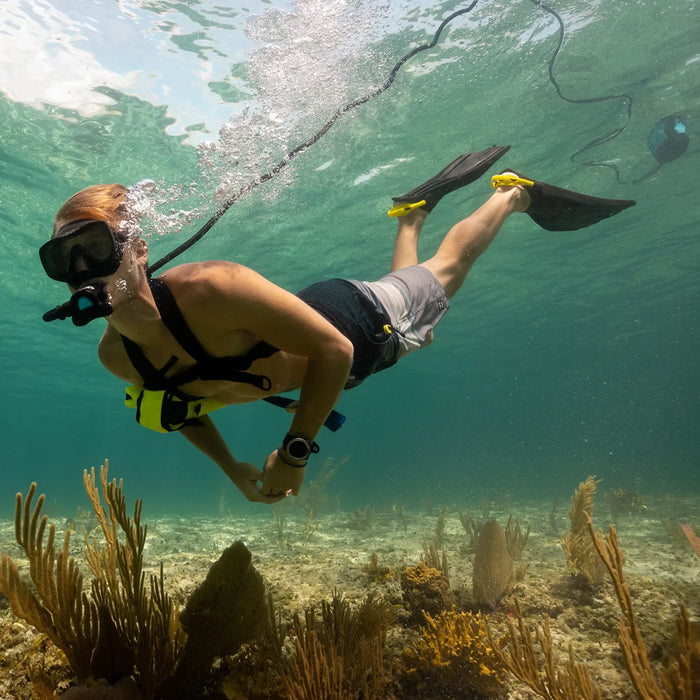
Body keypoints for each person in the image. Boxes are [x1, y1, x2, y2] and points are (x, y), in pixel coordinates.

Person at [40, 145, 635, 503]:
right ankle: (412, 213)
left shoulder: (211, 286)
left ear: (137, 247)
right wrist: (235, 471)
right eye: (62, 261)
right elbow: (178, 407)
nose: (82, 272)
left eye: (94, 247)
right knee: (415, 298)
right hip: (326, 332)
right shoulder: (116, 358)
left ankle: (513, 195)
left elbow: (334, 351)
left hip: (357, 325)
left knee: (445, 276)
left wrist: (294, 454)